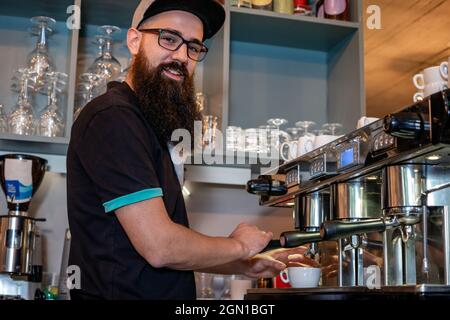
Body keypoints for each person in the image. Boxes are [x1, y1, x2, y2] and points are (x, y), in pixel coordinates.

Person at [67, 0, 315, 300]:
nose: (182, 56)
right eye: (169, 39)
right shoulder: (113, 118)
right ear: (134, 40)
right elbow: (159, 247)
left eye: (193, 47)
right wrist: (239, 246)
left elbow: (162, 252)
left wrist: (246, 263)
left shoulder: (147, 125)